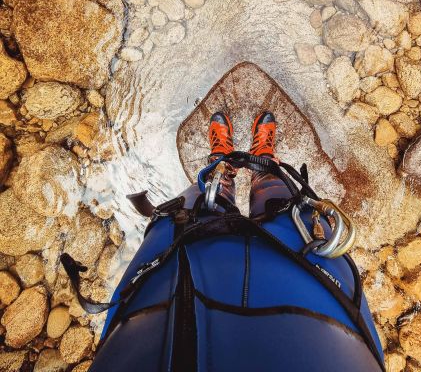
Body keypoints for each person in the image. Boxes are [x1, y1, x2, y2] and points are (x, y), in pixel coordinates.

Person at [63, 112, 385, 372]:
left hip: (160, 306)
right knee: (285, 207)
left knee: (201, 205)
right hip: (322, 313)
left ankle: (222, 164)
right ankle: (262, 164)